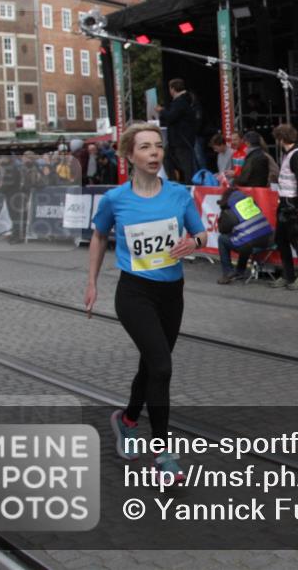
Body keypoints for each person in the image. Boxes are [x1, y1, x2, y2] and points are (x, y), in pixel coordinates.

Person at [84, 123, 206, 482]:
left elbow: (201, 232)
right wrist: (91, 283)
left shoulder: (179, 194)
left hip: (171, 293)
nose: (154, 153)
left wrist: (194, 243)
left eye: (158, 146)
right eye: (145, 147)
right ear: (129, 155)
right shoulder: (115, 199)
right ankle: (163, 455)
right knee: (162, 367)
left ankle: (126, 420)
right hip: (134, 294)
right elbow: (98, 237)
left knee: (152, 365)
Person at [269, 123, 298, 290]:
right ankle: (288, 275)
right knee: (281, 240)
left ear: (281, 139)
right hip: (285, 201)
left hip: (292, 203)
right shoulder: (289, 154)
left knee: (297, 240)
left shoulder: (297, 155)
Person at [215, 187, 275, 284]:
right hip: (268, 240)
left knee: (223, 239)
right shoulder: (251, 203)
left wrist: (222, 213)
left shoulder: (230, 211)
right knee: (243, 237)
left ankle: (228, 272)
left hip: (250, 244)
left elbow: (223, 230)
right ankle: (240, 271)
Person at [156, 78, 198, 184]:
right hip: (177, 139)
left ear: (173, 89)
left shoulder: (180, 102)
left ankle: (189, 184)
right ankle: (174, 180)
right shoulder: (184, 100)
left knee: (185, 163)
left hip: (181, 139)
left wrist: (162, 111)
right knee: (167, 157)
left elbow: (171, 117)